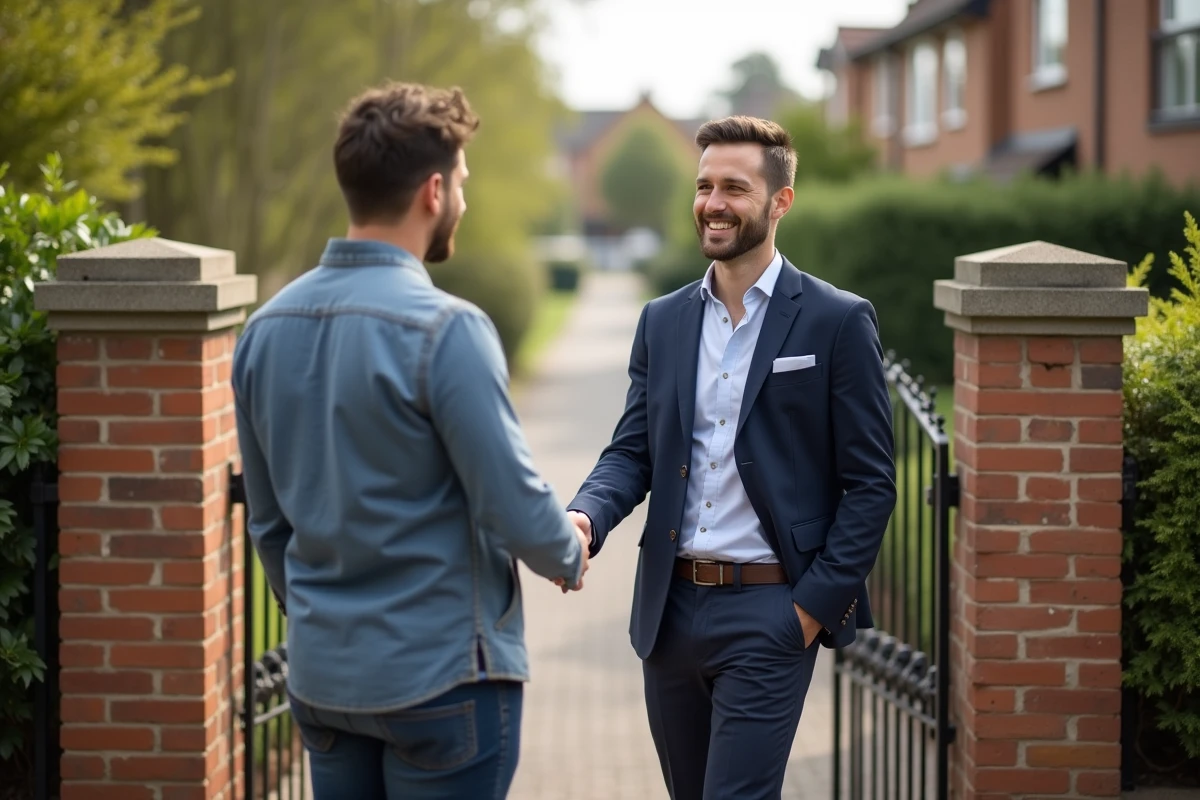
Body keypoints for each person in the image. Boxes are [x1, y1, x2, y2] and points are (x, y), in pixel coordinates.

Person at [232, 82, 588, 799]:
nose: (463, 197)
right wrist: (568, 549)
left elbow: (268, 523)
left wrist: (321, 618)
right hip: (443, 681)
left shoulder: (262, 331)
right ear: (433, 191)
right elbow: (510, 501)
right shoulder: (447, 328)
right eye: (460, 182)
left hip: (325, 682)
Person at [564, 116, 897, 800]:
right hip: (670, 613)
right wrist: (585, 518)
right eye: (705, 185)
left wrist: (809, 610)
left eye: (734, 188)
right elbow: (633, 452)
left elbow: (871, 484)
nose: (713, 202)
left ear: (780, 202)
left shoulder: (836, 321)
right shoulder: (664, 320)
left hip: (770, 611)